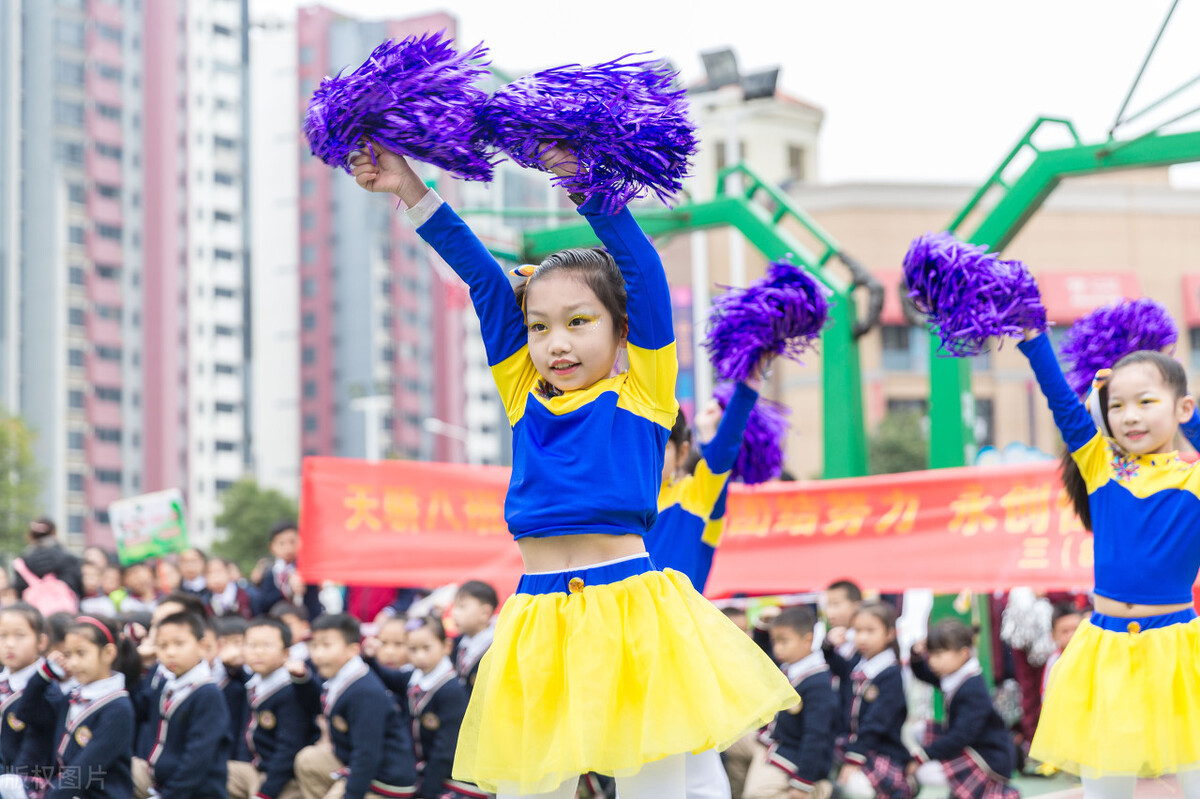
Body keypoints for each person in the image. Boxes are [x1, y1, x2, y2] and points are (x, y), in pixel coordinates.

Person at [351, 143, 796, 799]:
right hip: (538, 618)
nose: (555, 342)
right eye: (539, 326)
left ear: (622, 335)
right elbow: (482, 279)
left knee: (669, 788)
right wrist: (410, 188)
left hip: (633, 612)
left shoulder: (643, 393)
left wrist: (582, 182)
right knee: (532, 790)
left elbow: (640, 268)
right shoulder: (521, 393)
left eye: (579, 322)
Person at [1019, 330, 1200, 797]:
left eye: (1145, 401)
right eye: (1116, 406)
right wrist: (1035, 340)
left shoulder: (1193, 476)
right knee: (1105, 783)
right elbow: (1062, 405)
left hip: (1177, 645)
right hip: (1106, 647)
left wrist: (1191, 421)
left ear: (1183, 408)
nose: (1130, 416)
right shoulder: (1101, 465)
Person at [646, 384, 759, 596]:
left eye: (663, 446)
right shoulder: (615, 504)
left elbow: (720, 459)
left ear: (682, 453)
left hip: (680, 626)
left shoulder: (691, 497)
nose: (649, 455)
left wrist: (747, 390)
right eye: (641, 444)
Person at [290, 613, 417, 799]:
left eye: (326, 646)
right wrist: (302, 680)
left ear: (353, 649)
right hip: (358, 765)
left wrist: (349, 795)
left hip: (386, 780)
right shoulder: (342, 677)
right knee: (309, 759)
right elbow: (315, 706)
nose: (317, 653)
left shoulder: (364, 691)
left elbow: (367, 755)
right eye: (315, 646)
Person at [726, 607, 837, 799]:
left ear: (808, 640)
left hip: (792, 752)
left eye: (784, 641)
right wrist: (762, 626)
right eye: (775, 641)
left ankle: (819, 791)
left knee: (756, 794)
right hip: (769, 740)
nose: (777, 648)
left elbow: (816, 737)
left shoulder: (818, 682)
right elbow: (760, 656)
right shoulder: (788, 666)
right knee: (727, 744)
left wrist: (804, 782)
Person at [26, 615, 139, 799]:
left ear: (108, 653)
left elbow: (83, 771)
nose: (73, 663)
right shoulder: (73, 696)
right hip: (65, 791)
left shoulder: (118, 707)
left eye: (81, 653)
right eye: (68, 655)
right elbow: (27, 712)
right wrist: (43, 675)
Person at [908, 619, 1018, 798]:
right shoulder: (956, 675)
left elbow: (960, 736)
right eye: (931, 654)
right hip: (971, 746)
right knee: (919, 730)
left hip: (988, 758)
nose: (932, 661)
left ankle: (992, 790)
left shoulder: (972, 687)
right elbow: (923, 674)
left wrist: (922, 756)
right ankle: (962, 788)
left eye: (939, 655)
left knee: (926, 772)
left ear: (964, 653)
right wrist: (916, 655)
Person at [142, 612, 231, 798]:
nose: (170, 652)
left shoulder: (207, 693)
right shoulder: (167, 685)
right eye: (162, 646)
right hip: (163, 787)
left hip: (197, 793)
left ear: (202, 646)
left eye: (179, 643)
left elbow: (197, 758)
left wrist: (170, 795)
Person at [226, 618, 315, 799]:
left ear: (286, 653)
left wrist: (265, 792)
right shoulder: (253, 684)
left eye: (267, 645)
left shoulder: (290, 690)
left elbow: (288, 750)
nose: (258, 652)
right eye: (251, 645)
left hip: (283, 778)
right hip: (253, 769)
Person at [834, 601, 911, 799]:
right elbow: (837, 668)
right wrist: (828, 645)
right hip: (850, 743)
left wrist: (854, 758)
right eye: (858, 630)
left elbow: (877, 723)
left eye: (870, 630)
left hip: (879, 750)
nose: (862, 637)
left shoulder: (890, 674)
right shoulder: (857, 663)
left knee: (856, 789)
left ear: (890, 633)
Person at [404, 617, 474, 799]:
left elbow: (445, 750)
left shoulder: (451, 690)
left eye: (426, 648)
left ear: (446, 646)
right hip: (425, 771)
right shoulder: (415, 678)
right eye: (412, 649)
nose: (419, 656)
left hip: (450, 778)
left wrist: (426, 792)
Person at [0, 603, 59, 783]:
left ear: (41, 642)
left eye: (20, 635)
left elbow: (34, 752)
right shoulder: (3, 680)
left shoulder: (46, 691)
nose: (9, 644)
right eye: (2, 635)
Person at [254, 522, 321, 620]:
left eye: (293, 542)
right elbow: (264, 603)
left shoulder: (309, 568)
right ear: (272, 547)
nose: (288, 548)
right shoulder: (269, 572)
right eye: (281, 543)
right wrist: (287, 589)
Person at [12, 518, 82, 600]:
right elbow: (77, 589)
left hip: (32, 609)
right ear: (54, 533)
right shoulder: (69, 559)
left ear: (30, 536)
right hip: (64, 609)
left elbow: (19, 592)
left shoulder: (22, 563)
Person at [448, 581, 497, 694]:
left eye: (461, 607)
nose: (454, 613)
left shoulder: (497, 647)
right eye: (454, 606)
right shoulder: (456, 644)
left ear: (485, 612)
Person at [1041, 603, 1087, 700]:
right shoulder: (1054, 661)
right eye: (1065, 631)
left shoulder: (1091, 655)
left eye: (1076, 629)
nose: (1071, 635)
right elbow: (1046, 694)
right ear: (1053, 636)